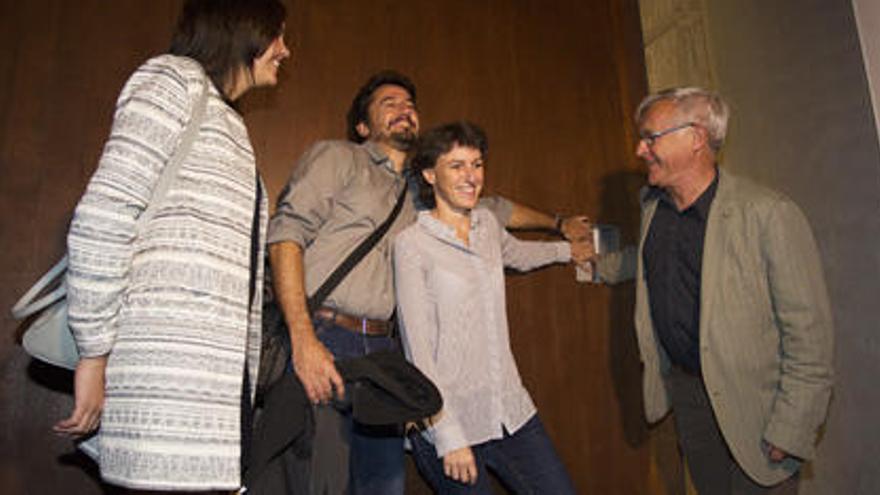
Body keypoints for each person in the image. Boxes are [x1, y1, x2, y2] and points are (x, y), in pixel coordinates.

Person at [267, 71, 590, 494]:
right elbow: (286, 232)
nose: (404, 109)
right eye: (389, 103)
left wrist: (560, 224)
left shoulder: (421, 195)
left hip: (384, 354)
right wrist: (303, 336)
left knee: (383, 486)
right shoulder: (339, 158)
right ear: (363, 126)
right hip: (325, 335)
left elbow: (495, 209)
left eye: (410, 104)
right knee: (318, 483)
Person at [53, 0, 290, 492]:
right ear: (243, 29)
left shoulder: (228, 121)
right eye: (277, 36)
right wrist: (94, 354)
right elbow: (103, 217)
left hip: (204, 405)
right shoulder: (172, 82)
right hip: (166, 392)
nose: (285, 51)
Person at [592, 87, 834, 494]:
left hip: (756, 406)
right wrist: (592, 262)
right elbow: (652, 262)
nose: (639, 149)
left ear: (696, 138)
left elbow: (810, 338)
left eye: (650, 137)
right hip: (689, 398)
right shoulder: (653, 208)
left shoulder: (769, 215)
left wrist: (791, 427)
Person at [394, 121, 585, 494]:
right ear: (430, 175)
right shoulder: (412, 244)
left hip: (509, 410)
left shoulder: (486, 225)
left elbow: (518, 254)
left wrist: (568, 251)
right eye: (457, 166)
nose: (471, 177)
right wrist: (447, 435)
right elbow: (418, 352)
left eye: (477, 164)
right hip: (451, 419)